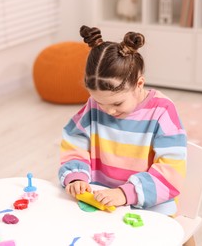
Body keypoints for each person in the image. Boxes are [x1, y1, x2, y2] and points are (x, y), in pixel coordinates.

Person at [58, 25, 187, 216]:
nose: (108, 110)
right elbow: (74, 143)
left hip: (149, 201)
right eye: (101, 102)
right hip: (99, 194)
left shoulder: (162, 111)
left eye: (117, 103)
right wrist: (76, 177)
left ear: (139, 84)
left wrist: (125, 194)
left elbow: (171, 170)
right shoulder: (93, 106)